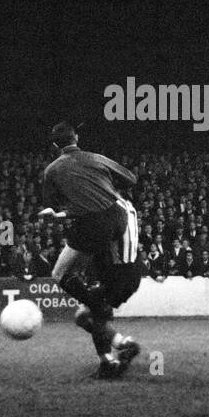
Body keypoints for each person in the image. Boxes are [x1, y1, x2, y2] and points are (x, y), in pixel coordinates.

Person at [40, 122, 142, 379]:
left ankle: (111, 355)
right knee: (83, 316)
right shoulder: (99, 165)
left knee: (61, 275)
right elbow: (130, 178)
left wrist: (57, 215)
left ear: (55, 146)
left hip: (108, 248)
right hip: (117, 234)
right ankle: (115, 351)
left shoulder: (53, 170)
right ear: (78, 138)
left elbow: (61, 206)